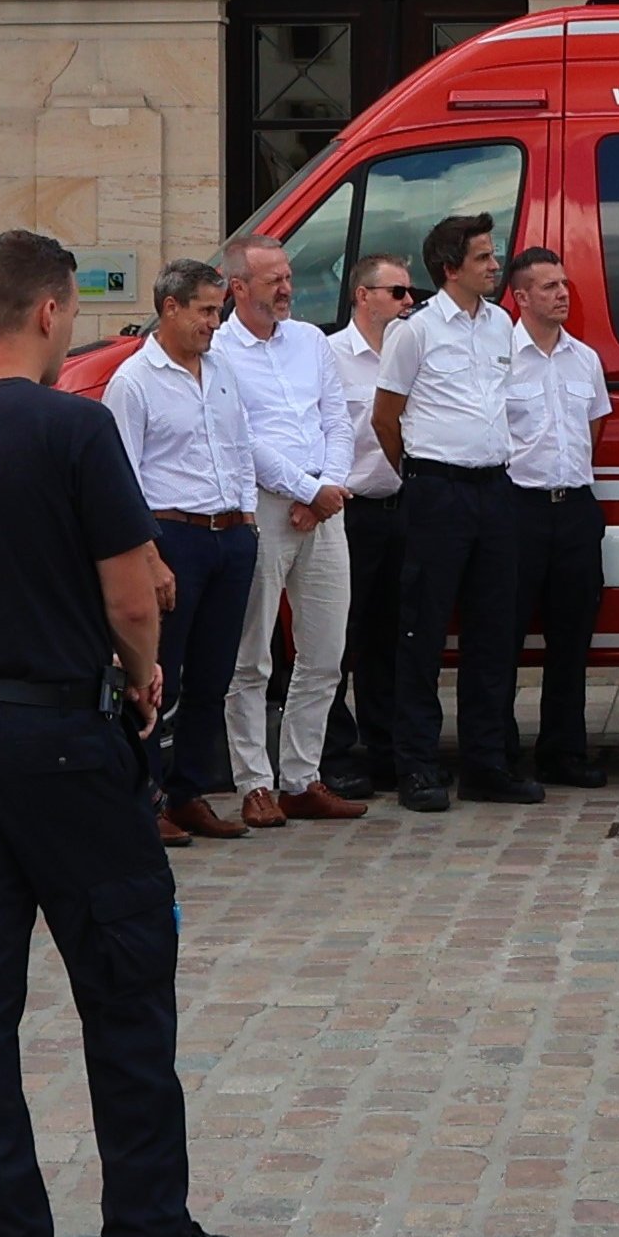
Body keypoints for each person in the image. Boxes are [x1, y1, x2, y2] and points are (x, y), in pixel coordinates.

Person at [0, 229, 245, 1237]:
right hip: (63, 737)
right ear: (46, 311)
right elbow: (132, 591)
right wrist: (141, 677)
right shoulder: (75, 427)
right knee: (124, 982)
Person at [112, 257, 264, 845]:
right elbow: (122, 478)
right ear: (169, 308)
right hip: (172, 537)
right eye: (204, 311)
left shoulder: (222, 370)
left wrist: (246, 519)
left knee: (212, 674)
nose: (214, 323)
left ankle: (189, 791)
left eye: (218, 311)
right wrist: (150, 558)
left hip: (230, 536)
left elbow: (240, 445)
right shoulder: (134, 382)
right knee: (158, 676)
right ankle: (146, 797)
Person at [373, 213, 522, 811]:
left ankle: (486, 764)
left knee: (493, 632)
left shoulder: (501, 324)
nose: (495, 264)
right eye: (483, 256)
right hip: (438, 490)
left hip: (495, 489)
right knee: (423, 632)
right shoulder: (415, 331)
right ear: (449, 268)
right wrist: (420, 476)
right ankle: (416, 765)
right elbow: (386, 417)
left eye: (493, 253)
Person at [217, 238, 367, 825]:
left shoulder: (309, 340)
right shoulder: (220, 351)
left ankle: (302, 778)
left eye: (287, 276)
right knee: (251, 657)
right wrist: (305, 491)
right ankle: (255, 783)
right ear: (238, 287)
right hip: (259, 507)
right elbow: (240, 437)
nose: (287, 288)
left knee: (325, 652)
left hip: (324, 506)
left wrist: (324, 492)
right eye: (273, 279)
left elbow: (338, 421)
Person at [481, 246, 616, 790]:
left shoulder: (584, 358)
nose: (562, 294)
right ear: (520, 297)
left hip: (574, 508)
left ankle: (564, 752)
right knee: (503, 637)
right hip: (518, 508)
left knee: (571, 638)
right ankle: (499, 752)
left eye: (563, 284)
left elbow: (593, 428)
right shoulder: (498, 359)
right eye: (549, 286)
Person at [317, 254, 416, 801]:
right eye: (397, 292)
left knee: (391, 638)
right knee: (339, 636)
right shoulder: (329, 356)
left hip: (403, 507)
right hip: (349, 511)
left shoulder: (414, 351)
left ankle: (386, 750)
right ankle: (333, 754)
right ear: (363, 296)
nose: (408, 302)